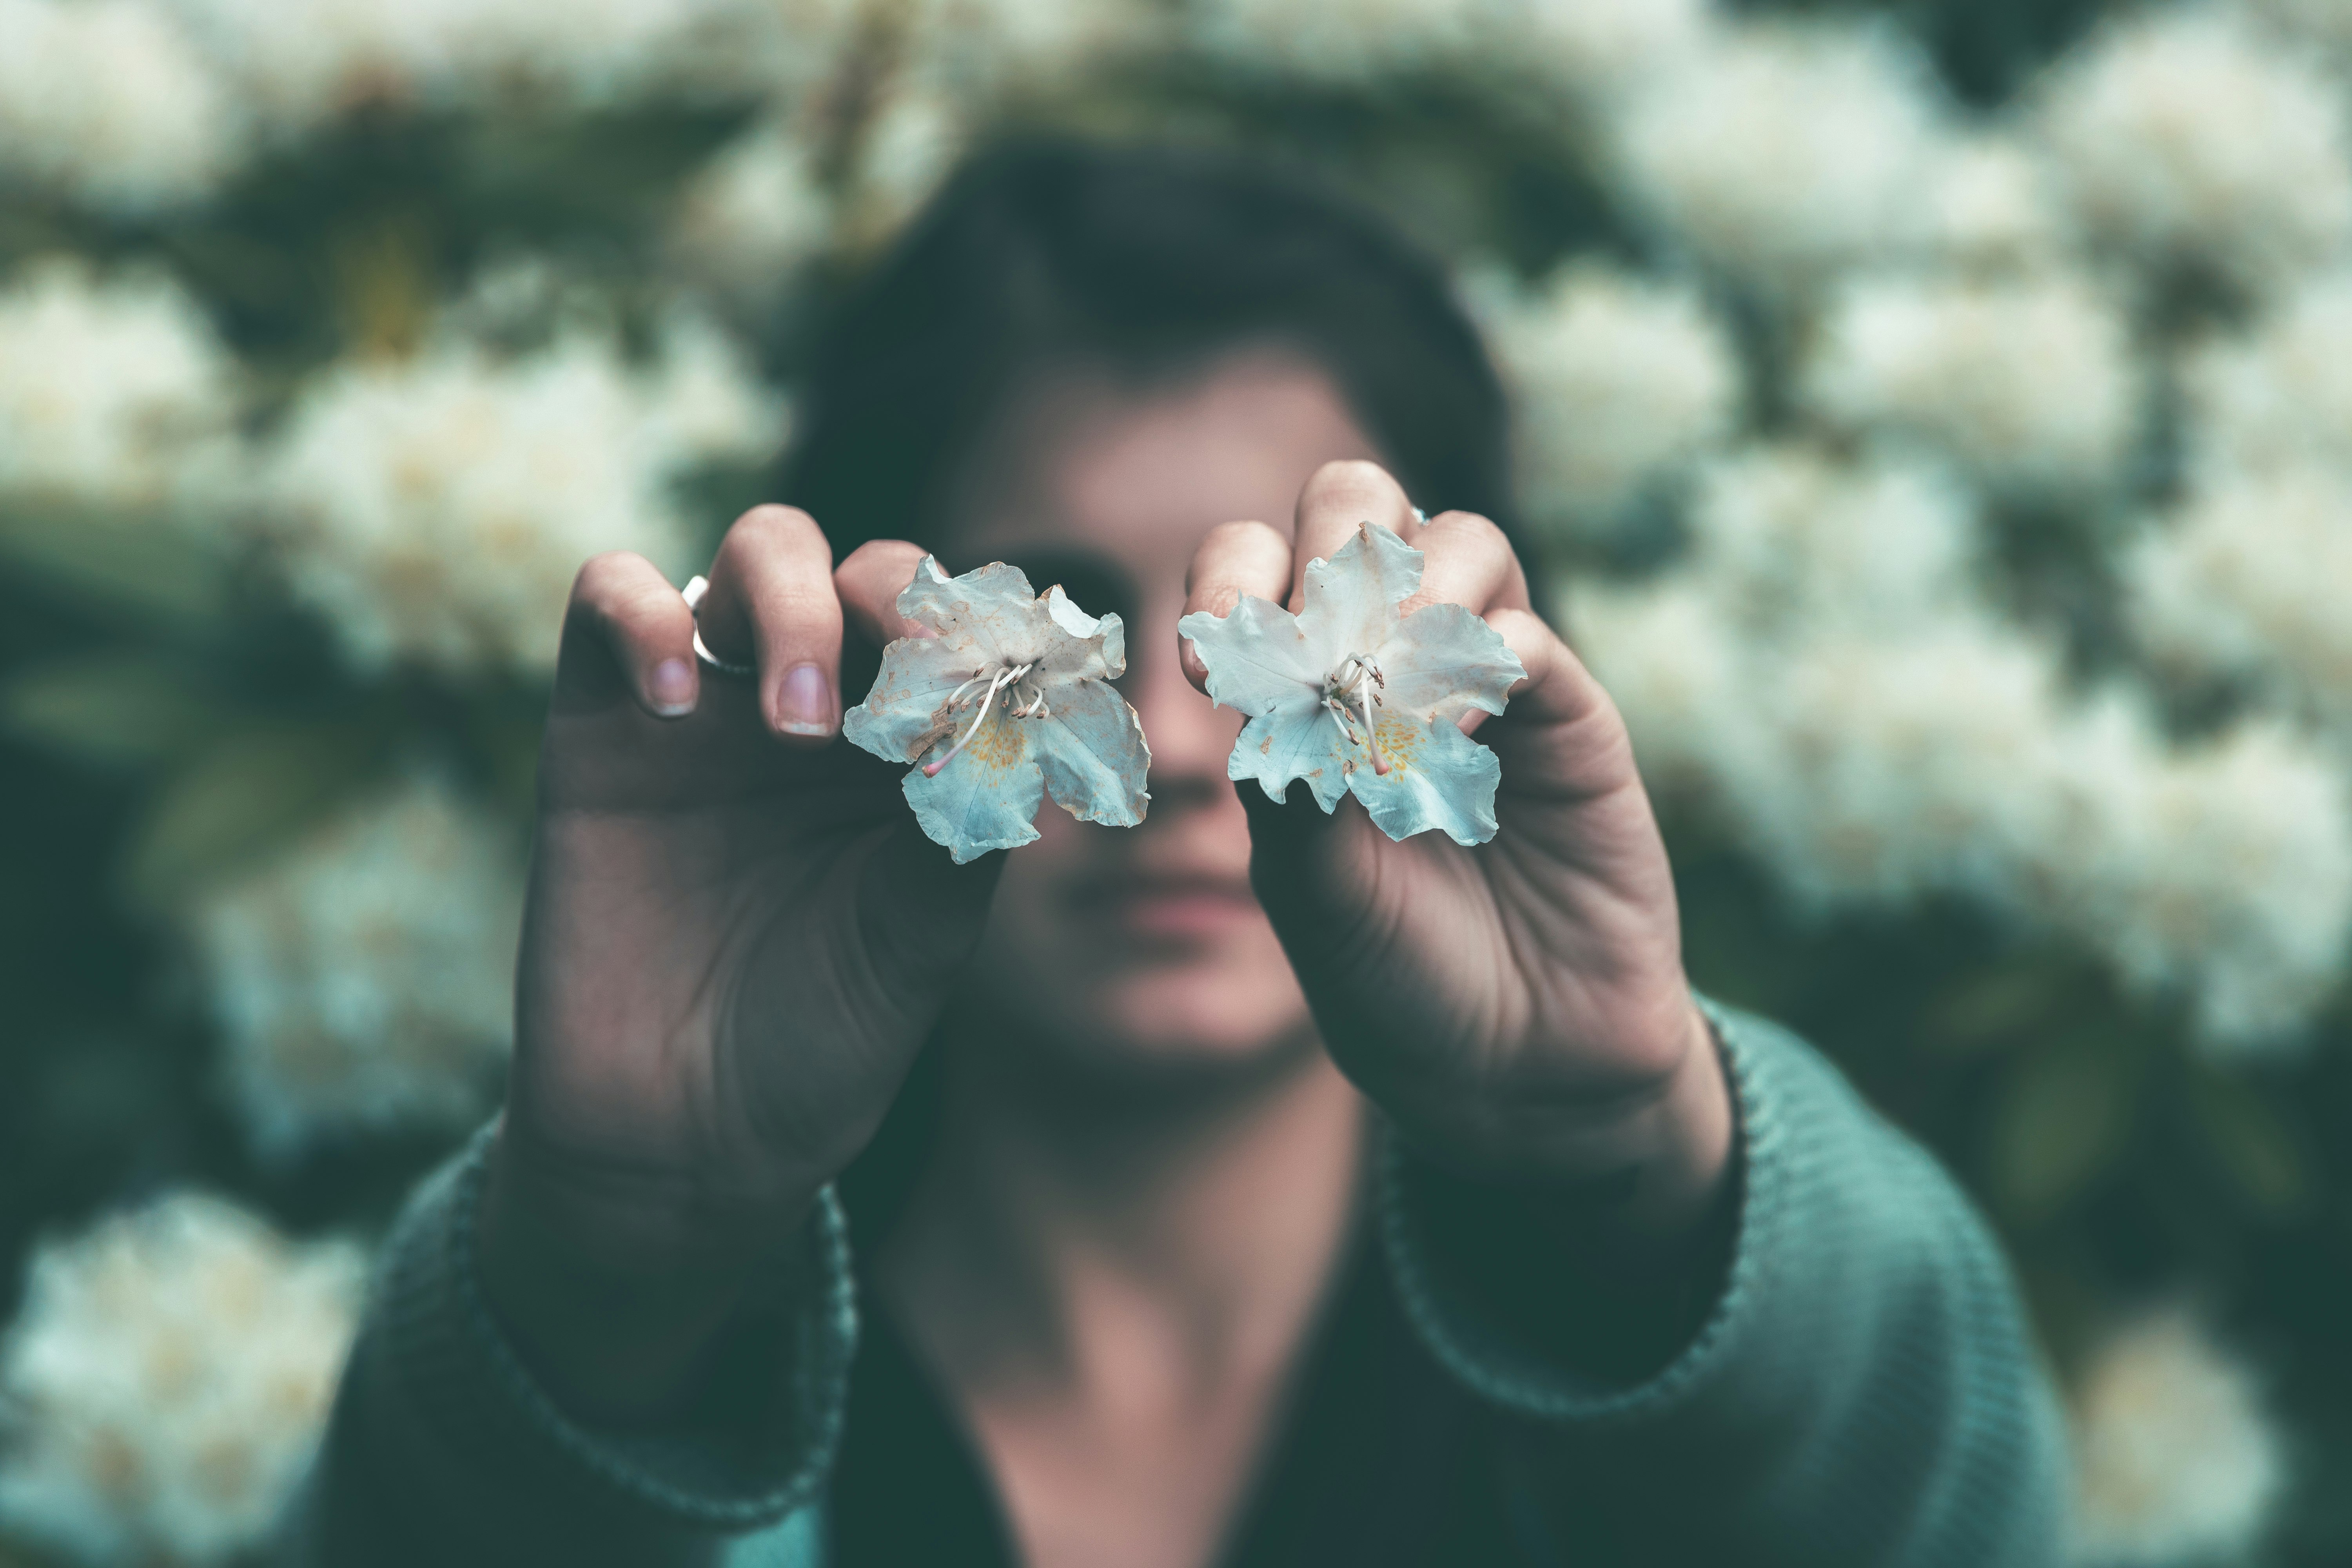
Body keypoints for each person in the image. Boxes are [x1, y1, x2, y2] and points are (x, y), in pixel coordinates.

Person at [288, 140, 2067, 1567]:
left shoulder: (1623, 1398)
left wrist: (1638, 1162)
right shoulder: (644, 1372)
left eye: (1284, 623)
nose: (1186, 739)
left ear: (1485, 664)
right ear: (866, 678)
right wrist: (609, 1263)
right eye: (1055, 629)